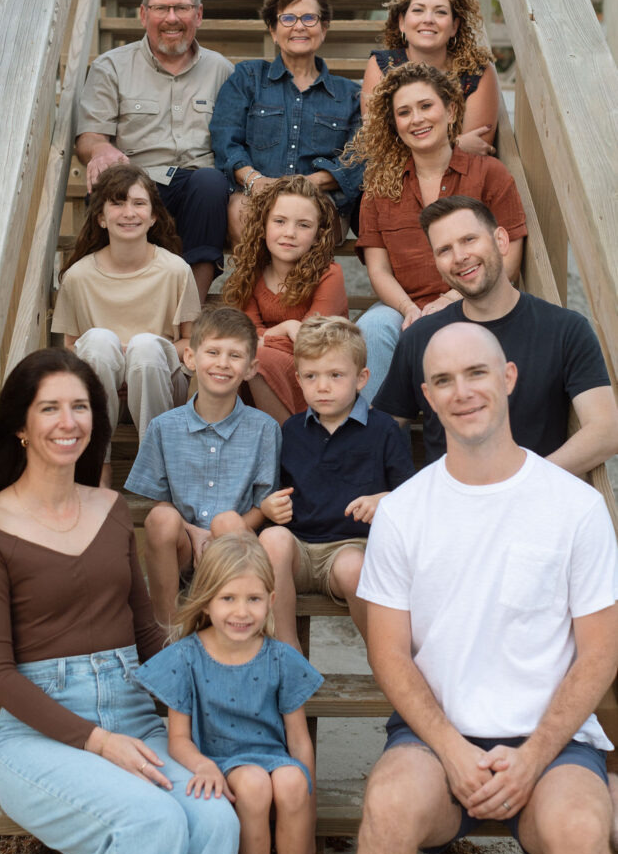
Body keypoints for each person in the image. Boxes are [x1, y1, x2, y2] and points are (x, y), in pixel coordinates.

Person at [0, 348, 239, 854]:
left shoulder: (112, 510)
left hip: (136, 715)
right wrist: (95, 740)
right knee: (149, 822)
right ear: (21, 425)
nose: (68, 422)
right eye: (50, 408)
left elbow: (144, 633)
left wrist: (195, 714)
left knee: (215, 820)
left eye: (80, 407)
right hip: (43, 735)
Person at [354, 322, 618, 854]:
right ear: (426, 395)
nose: (462, 392)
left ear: (508, 378)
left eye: (476, 374)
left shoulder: (573, 506)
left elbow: (600, 653)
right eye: (443, 380)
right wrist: (450, 746)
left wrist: (533, 758)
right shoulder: (403, 512)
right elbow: (388, 653)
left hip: (551, 744)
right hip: (433, 737)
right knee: (388, 807)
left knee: (583, 830)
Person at [135, 533, 323, 854]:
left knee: (291, 782)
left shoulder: (280, 658)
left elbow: (299, 741)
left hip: (273, 755)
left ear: (272, 601)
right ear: (205, 600)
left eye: (254, 599)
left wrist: (311, 809)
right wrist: (202, 765)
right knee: (254, 785)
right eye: (228, 598)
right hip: (220, 760)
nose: (242, 612)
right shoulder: (187, 656)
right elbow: (179, 739)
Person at [376, 195, 618, 476]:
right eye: (444, 250)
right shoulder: (421, 337)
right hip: (449, 510)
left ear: (501, 241)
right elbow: (380, 430)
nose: (459, 256)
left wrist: (525, 481)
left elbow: (607, 429)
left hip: (532, 506)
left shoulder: (565, 329)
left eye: (469, 239)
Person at [345, 62, 526, 400]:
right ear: (394, 123)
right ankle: (378, 441)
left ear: (451, 109)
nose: (417, 119)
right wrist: (408, 308)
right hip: (405, 308)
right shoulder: (379, 186)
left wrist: (449, 300)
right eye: (404, 112)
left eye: (426, 106)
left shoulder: (489, 173)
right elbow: (378, 270)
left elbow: (509, 259)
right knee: (372, 327)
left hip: (475, 299)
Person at [76, 0, 233, 302]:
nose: (172, 18)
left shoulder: (221, 69)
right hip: (136, 177)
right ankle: (118, 299)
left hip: (197, 185)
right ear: (144, 14)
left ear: (199, 14)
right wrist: (100, 149)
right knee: (113, 184)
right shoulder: (111, 66)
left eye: (182, 8)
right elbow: (89, 135)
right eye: (161, 8)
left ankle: (191, 306)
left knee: (212, 183)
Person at [258, 316, 414, 648]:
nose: (323, 386)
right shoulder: (291, 431)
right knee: (272, 539)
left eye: (335, 376)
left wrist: (382, 499)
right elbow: (276, 492)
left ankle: (386, 658)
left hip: (349, 548)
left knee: (353, 567)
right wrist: (269, 506)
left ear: (361, 379)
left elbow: (410, 497)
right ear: (298, 380)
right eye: (311, 377)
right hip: (299, 550)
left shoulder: (384, 429)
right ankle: (289, 653)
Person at [124, 307, 281, 634]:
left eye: (235, 355)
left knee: (228, 521)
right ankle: (168, 632)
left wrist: (219, 534)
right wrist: (194, 533)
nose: (223, 363)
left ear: (251, 368)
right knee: (160, 519)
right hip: (181, 547)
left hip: (235, 547)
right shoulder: (163, 427)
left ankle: (233, 634)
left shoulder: (265, 429)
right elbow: (160, 500)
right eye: (213, 352)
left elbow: (261, 507)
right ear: (190, 359)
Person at [52, 163, 201, 484]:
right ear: (101, 217)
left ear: (154, 216)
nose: (128, 212)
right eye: (117, 203)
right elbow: (70, 347)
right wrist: (117, 361)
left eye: (138, 203)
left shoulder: (175, 270)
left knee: (144, 348)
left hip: (159, 381)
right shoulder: (78, 277)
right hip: (99, 385)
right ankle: (98, 467)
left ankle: (157, 468)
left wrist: (133, 358)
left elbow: (191, 344)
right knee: (98, 343)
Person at [210, 0, 364, 247]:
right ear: (273, 29)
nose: (299, 27)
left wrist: (305, 184)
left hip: (321, 199)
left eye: (309, 18)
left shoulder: (349, 94)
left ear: (324, 27)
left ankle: (296, 291)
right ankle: (259, 288)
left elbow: (356, 161)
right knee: (238, 210)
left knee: (303, 219)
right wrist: (256, 181)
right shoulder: (248, 77)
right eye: (288, 18)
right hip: (255, 194)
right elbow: (225, 139)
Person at [222, 175, 348, 424]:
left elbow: (310, 341)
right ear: (263, 225)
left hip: (316, 372)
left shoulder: (329, 275)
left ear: (317, 235)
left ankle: (287, 442)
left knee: (256, 357)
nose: (289, 233)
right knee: (230, 359)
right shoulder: (250, 275)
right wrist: (286, 328)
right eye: (279, 221)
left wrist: (263, 339)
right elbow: (243, 336)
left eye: (303, 225)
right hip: (255, 369)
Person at [361, 0, 498, 157]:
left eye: (440, 12)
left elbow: (477, 149)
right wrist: (457, 143)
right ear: (402, 22)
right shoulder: (382, 65)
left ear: (454, 26)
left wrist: (418, 145)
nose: (428, 19)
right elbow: (378, 144)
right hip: (398, 180)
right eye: (418, 10)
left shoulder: (477, 71)